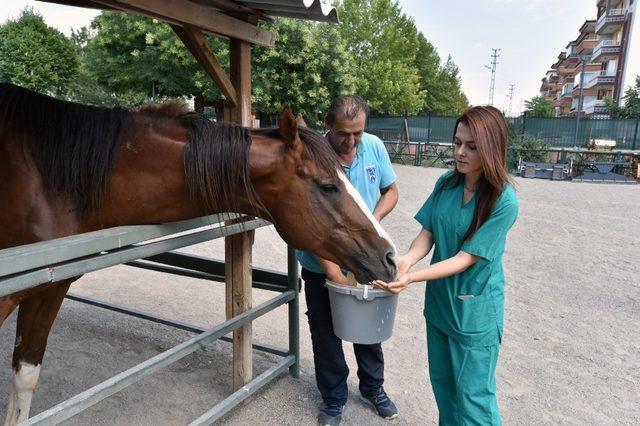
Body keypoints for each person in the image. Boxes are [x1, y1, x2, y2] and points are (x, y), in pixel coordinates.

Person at [373, 105, 518, 425]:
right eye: (457, 143)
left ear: (491, 148)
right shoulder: (447, 184)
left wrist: (411, 278)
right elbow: (428, 234)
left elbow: (465, 259)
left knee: (474, 401)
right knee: (445, 393)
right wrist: (405, 260)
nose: (460, 152)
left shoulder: (502, 200)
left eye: (471, 146)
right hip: (440, 308)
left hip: (474, 314)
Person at [296, 95, 399, 426]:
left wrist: (372, 219)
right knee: (325, 330)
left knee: (368, 325)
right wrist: (333, 272)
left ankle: (373, 387)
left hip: (362, 255)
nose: (352, 141)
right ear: (328, 125)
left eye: (358, 133)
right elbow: (305, 218)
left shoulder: (374, 147)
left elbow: (391, 191)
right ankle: (333, 397)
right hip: (320, 259)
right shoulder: (314, 155)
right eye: (344, 133)